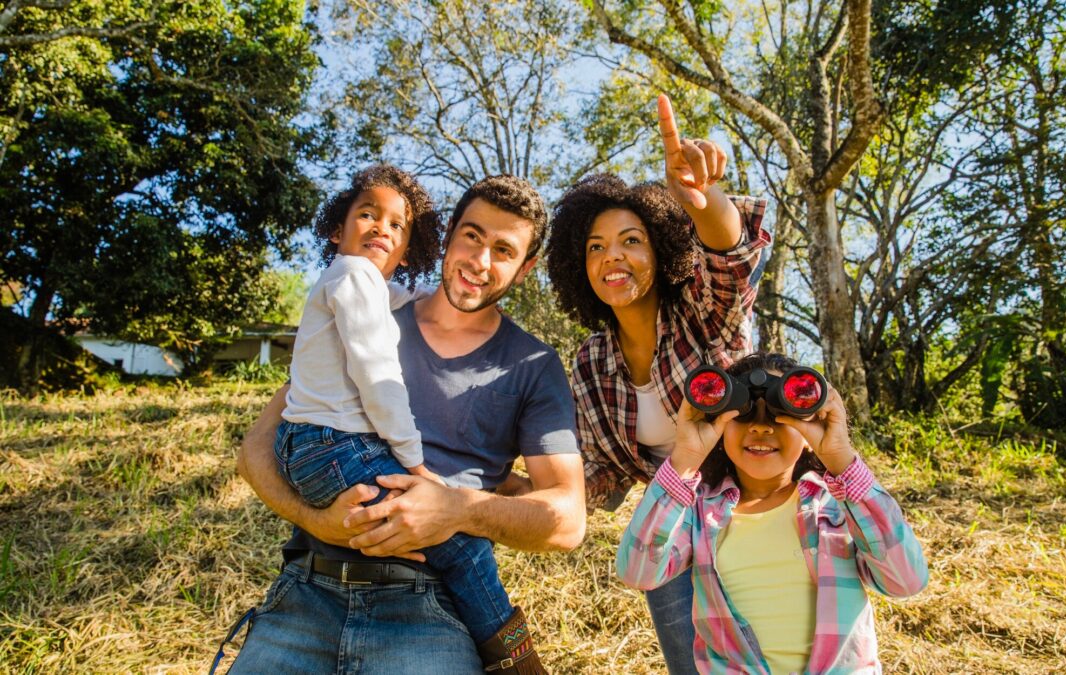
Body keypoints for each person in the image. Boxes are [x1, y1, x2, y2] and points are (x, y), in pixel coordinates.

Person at [226, 175, 586, 674]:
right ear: (448, 236)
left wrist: (457, 510)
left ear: (525, 269)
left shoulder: (533, 365)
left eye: (503, 250)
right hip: (307, 591)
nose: (480, 261)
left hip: (428, 610)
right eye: (472, 236)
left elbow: (568, 520)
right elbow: (257, 450)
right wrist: (316, 520)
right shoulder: (370, 308)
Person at [544, 94, 769, 673]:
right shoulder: (591, 362)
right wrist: (493, 484)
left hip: (756, 511)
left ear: (664, 247)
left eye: (630, 240)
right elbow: (598, 474)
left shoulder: (701, 309)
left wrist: (702, 199)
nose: (611, 257)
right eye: (595, 247)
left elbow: (731, 257)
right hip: (669, 533)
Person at [616, 352, 929, 673]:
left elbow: (905, 581)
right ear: (721, 425)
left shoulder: (838, 506)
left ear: (810, 430)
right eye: (744, 413)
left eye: (781, 415)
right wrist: (684, 460)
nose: (762, 428)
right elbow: (638, 571)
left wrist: (841, 459)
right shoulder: (698, 512)